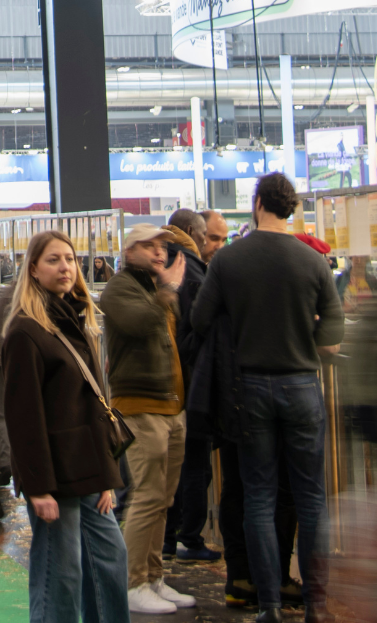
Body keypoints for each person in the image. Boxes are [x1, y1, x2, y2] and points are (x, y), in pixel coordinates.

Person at [191, 173, 342, 623]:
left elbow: (200, 320)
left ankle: (270, 606)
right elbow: (333, 333)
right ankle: (316, 604)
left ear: (257, 204)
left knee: (258, 496)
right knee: (311, 497)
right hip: (302, 385)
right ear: (291, 208)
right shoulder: (312, 261)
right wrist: (305, 336)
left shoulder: (230, 260)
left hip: (250, 386)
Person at [5, 230, 129, 623]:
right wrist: (38, 486)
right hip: (56, 473)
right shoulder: (26, 331)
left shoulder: (77, 319)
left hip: (89, 468)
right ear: (34, 270)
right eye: (54, 260)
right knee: (60, 576)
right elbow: (23, 416)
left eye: (70, 259)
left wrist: (106, 474)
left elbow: (93, 403)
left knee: (110, 560)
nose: (65, 267)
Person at [99, 224, 194, 615]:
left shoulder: (151, 287)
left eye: (162, 246)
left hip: (171, 406)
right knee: (146, 497)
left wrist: (177, 243)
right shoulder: (121, 288)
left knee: (163, 498)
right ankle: (132, 580)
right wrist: (168, 290)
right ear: (129, 250)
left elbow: (189, 248)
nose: (159, 252)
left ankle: (153, 575)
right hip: (141, 406)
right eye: (149, 246)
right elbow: (141, 324)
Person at [158, 210, 221, 564]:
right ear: (191, 234)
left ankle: (168, 538)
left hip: (165, 384)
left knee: (173, 466)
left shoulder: (158, 262)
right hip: (188, 382)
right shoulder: (190, 269)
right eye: (208, 237)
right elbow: (195, 328)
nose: (211, 245)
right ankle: (189, 537)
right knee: (195, 465)